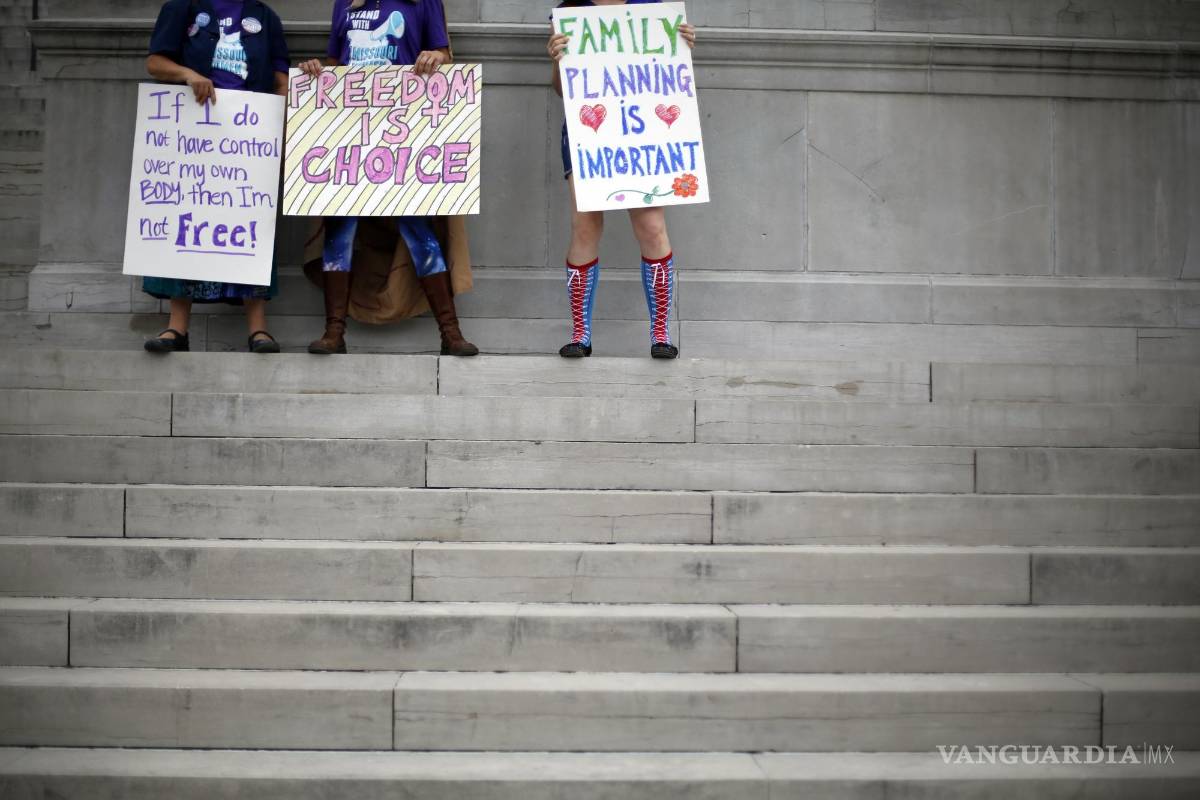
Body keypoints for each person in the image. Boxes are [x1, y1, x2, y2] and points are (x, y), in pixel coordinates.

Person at [298, 0, 478, 357]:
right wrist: (317, 71)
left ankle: (450, 332)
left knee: (417, 226)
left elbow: (443, 53)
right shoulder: (344, 3)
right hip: (350, 130)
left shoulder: (422, 1)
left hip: (403, 131)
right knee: (340, 225)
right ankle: (334, 331)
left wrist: (434, 58)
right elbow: (337, 65)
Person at [548, 0, 696, 359]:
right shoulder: (570, 10)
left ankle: (661, 333)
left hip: (642, 134)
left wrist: (682, 45)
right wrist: (557, 60)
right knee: (584, 225)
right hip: (589, 134)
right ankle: (580, 334)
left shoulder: (652, 8)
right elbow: (560, 88)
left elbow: (668, 76)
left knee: (651, 226)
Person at [142, 0, 290, 354]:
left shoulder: (265, 16)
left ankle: (258, 329)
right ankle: (176, 328)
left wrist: (279, 119)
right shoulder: (183, 7)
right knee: (186, 222)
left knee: (249, 225)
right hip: (193, 133)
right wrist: (189, 75)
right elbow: (155, 62)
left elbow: (280, 77)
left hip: (247, 137)